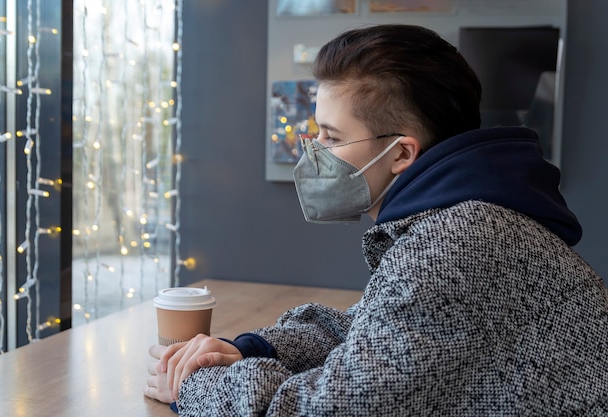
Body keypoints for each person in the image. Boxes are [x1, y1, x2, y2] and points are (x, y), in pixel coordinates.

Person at [144, 24, 608, 415]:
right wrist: (252, 349)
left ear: (402, 152)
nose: (314, 152)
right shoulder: (465, 219)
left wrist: (192, 387)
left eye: (331, 136)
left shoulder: (456, 240)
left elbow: (330, 408)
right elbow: (366, 331)